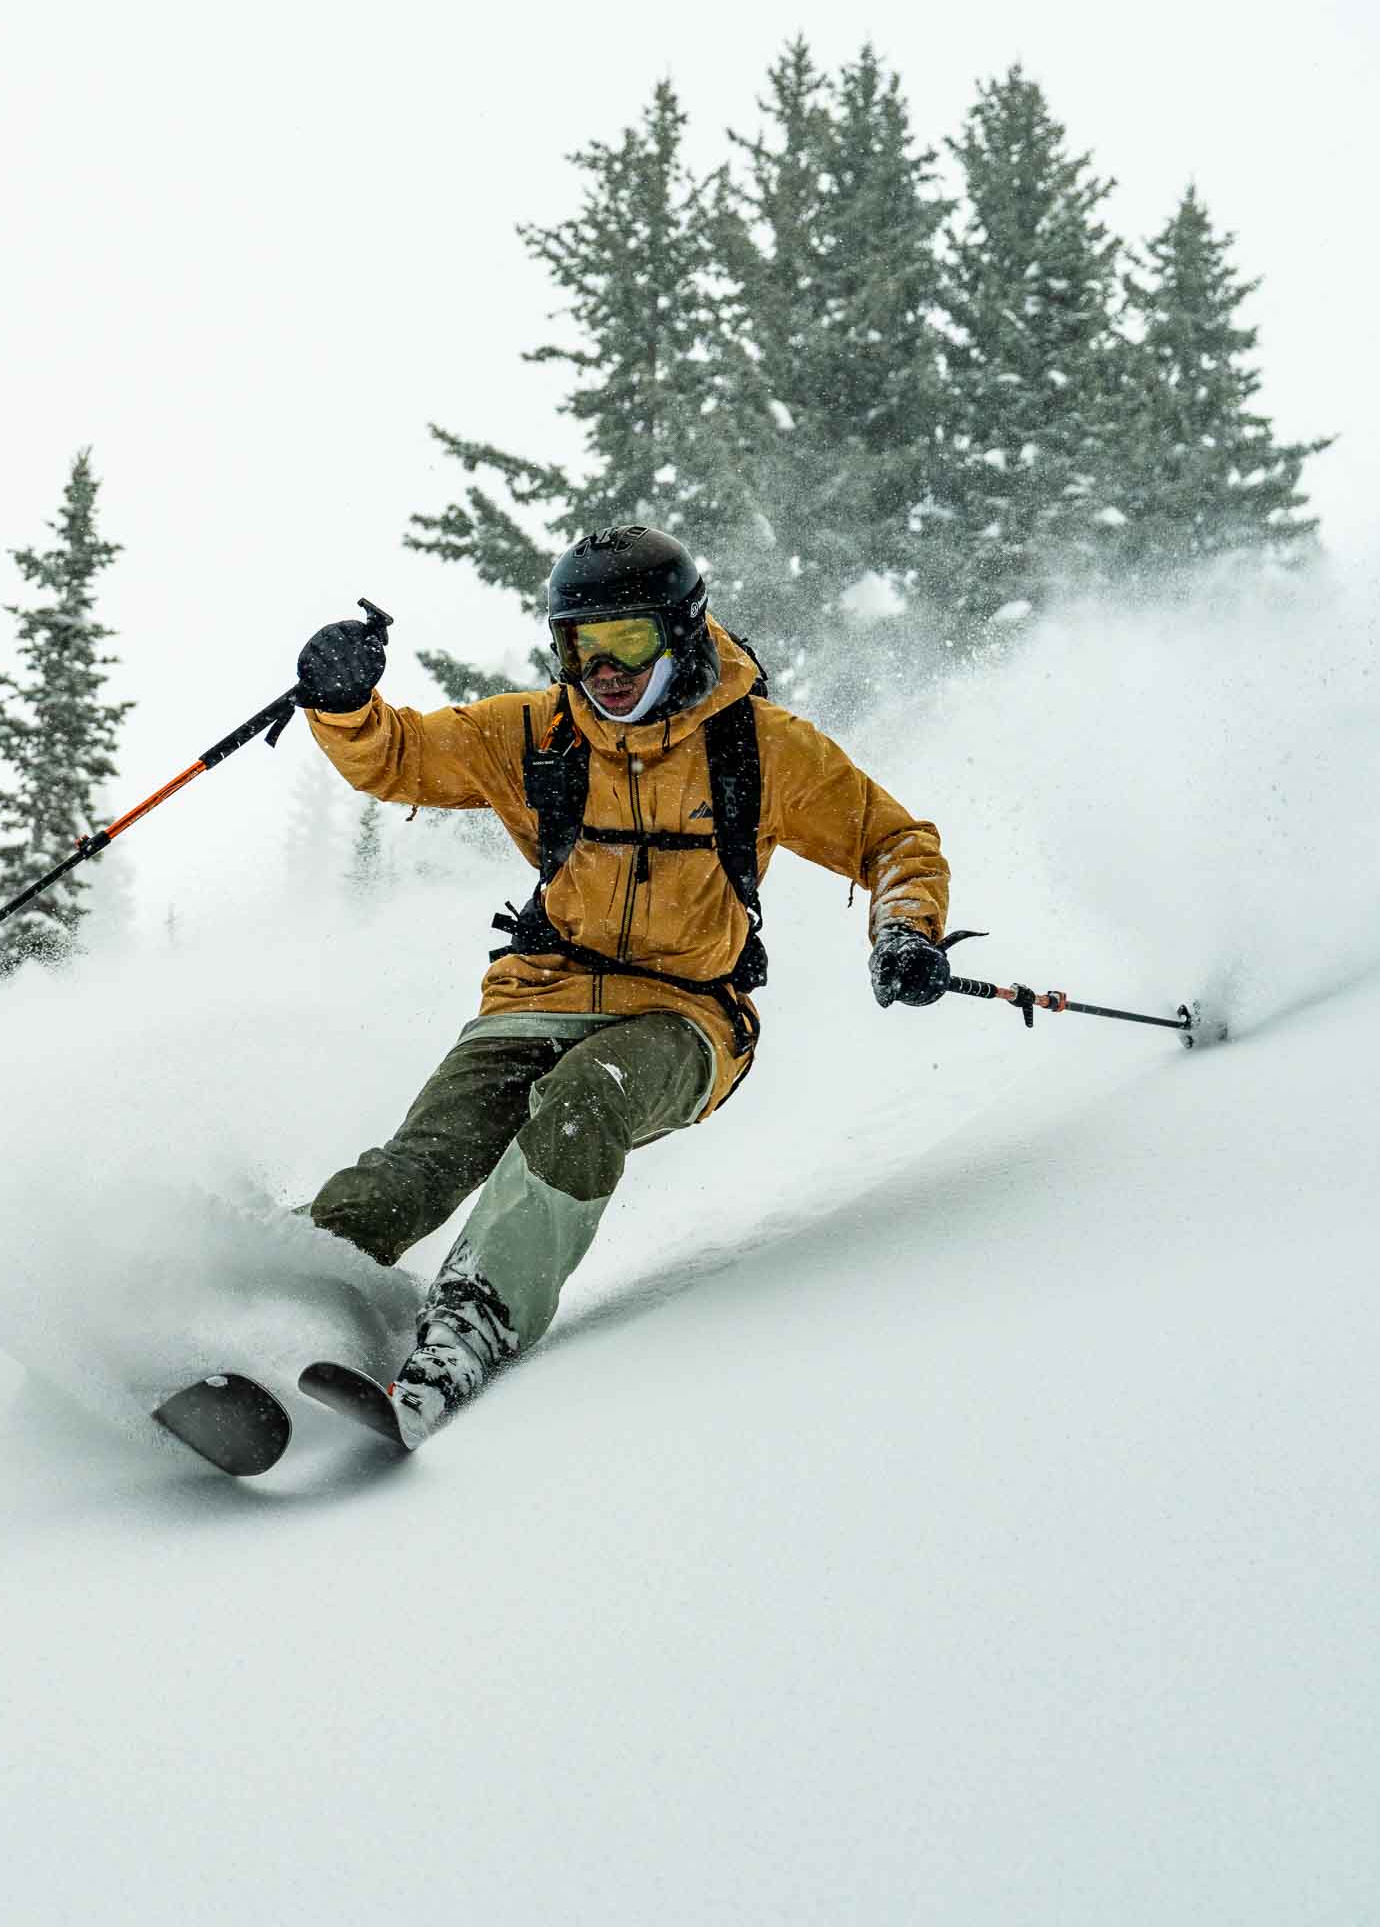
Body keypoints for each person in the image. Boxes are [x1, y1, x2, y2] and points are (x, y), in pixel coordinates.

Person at [293, 525, 952, 1446]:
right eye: (577, 644)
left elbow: (893, 842)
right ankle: (282, 1293)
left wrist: (904, 931)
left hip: (686, 1016)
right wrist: (344, 702)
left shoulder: (761, 750)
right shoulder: (535, 733)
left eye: (626, 641)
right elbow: (398, 756)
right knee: (423, 1161)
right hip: (539, 991)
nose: (601, 668)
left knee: (582, 1102)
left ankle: (473, 1319)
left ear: (681, 632)